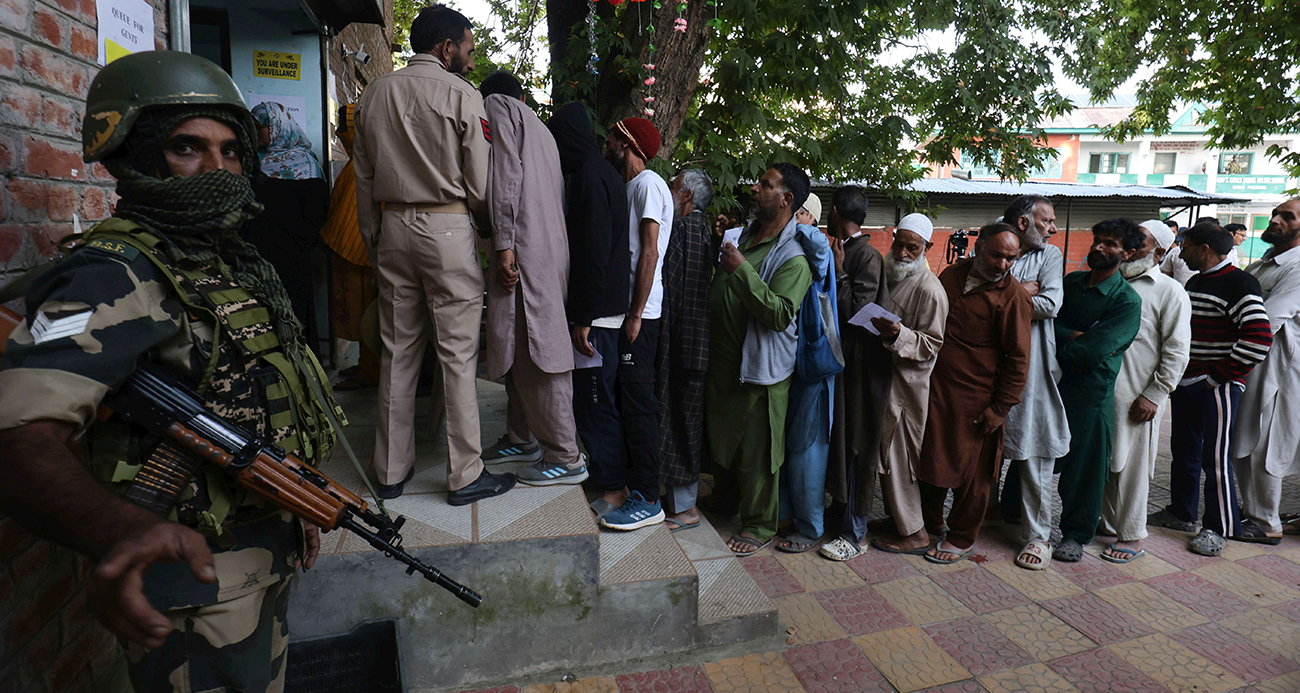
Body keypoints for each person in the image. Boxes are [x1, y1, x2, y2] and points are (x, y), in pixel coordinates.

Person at [0, 51, 343, 691]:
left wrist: (293, 508)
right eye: (189, 148)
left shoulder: (229, 265)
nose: (218, 170)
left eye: (232, 152)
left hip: (256, 556)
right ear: (134, 156)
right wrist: (120, 528)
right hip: (192, 588)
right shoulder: (114, 272)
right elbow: (20, 437)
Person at [353, 5, 515, 504]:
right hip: (447, 228)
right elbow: (481, 183)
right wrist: (490, 236)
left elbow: (361, 177)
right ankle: (465, 474)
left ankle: (390, 472)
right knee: (458, 355)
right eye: (467, 49)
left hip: (393, 225)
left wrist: (374, 236)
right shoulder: (464, 96)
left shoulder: (374, 92)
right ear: (446, 48)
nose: (470, 60)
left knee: (398, 352)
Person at [477, 72, 587, 487]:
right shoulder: (540, 126)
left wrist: (503, 243)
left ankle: (565, 456)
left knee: (537, 351)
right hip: (548, 251)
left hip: (523, 252)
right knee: (522, 348)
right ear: (523, 94)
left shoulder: (499, 109)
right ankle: (523, 438)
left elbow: (505, 178)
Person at [703, 164, 814, 556]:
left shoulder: (794, 259)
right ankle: (724, 498)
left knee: (757, 451)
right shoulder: (746, 236)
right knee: (725, 441)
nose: (755, 188)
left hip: (761, 371)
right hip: (725, 363)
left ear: (786, 200)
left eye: (765, 185)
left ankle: (759, 524)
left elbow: (780, 313)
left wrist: (741, 271)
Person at [1149, 222, 1273, 556]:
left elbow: (1260, 337)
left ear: (1204, 249)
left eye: (1185, 245)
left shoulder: (1239, 282)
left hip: (1215, 386)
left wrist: (1219, 377)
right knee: (1185, 452)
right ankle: (1181, 513)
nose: (1180, 250)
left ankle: (1218, 527)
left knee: (1215, 459)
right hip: (1189, 383)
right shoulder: (1198, 281)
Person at [832, 214, 948, 560]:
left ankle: (915, 533)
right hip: (881, 381)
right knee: (879, 456)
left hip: (905, 390)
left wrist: (899, 335)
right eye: (900, 244)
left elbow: (932, 344)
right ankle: (900, 522)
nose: (904, 253)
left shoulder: (930, 290)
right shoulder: (891, 272)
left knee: (898, 462)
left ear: (926, 248)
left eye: (913, 248)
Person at [916, 223, 1032, 564]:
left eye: (1011, 258)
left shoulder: (1013, 297)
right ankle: (928, 523)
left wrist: (1000, 409)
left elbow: (1019, 360)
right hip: (937, 390)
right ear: (978, 248)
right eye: (997, 255)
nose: (1002, 265)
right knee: (932, 460)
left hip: (978, 399)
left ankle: (962, 537)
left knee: (974, 474)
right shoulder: (954, 274)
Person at [583, 117, 675, 531]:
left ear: (628, 143)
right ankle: (626, 489)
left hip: (643, 316)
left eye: (614, 138)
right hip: (627, 314)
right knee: (624, 402)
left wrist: (636, 315)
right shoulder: (629, 188)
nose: (608, 144)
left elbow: (650, 252)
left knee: (640, 406)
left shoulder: (650, 184)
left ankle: (649, 498)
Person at [547, 103, 632, 517]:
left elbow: (595, 254)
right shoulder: (601, 173)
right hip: (602, 313)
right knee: (596, 403)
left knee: (596, 404)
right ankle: (606, 477)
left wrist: (583, 317)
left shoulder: (589, 178)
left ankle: (614, 487)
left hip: (597, 318)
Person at [1050, 219, 1143, 563]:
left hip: (1092, 395)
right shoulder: (1072, 283)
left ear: (1128, 254)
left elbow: (1092, 352)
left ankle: (1075, 535)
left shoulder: (1126, 301)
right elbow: (1045, 323)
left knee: (1084, 471)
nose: (1099, 248)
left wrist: (1064, 340)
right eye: (1097, 241)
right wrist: (1070, 336)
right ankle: (1015, 513)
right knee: (1033, 454)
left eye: (1110, 244)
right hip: (1053, 386)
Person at [1098, 220, 1191, 564]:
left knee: (1133, 470)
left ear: (1161, 252)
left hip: (1138, 397)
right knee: (1107, 463)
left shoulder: (1169, 291)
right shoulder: (1109, 281)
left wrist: (1155, 394)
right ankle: (1109, 523)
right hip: (1103, 394)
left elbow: (1178, 351)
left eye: (1142, 242)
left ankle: (1133, 534)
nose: (1130, 246)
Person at [995, 195, 1072, 570]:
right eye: (1047, 221)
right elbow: (976, 297)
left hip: (1034, 370)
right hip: (989, 366)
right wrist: (1021, 291)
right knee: (982, 449)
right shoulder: (993, 243)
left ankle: (1038, 537)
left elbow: (1051, 305)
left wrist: (1005, 293)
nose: (1053, 228)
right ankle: (970, 522)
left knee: (1035, 452)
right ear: (1023, 224)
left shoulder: (1050, 257)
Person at [823, 186, 892, 554]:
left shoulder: (865, 256)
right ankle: (838, 513)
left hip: (861, 370)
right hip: (840, 365)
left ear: (834, 211)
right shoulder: (841, 248)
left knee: (856, 445)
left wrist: (839, 273)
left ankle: (855, 532)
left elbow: (859, 316)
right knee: (839, 442)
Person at [1234, 199, 1300, 542]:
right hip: (1252, 365)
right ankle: (1253, 512)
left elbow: (1266, 319)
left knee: (1269, 443)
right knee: (1246, 438)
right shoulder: (1263, 264)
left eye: (1287, 217)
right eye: (1276, 214)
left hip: (1281, 371)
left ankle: (1266, 523)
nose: (1275, 220)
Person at [657, 169, 714, 530]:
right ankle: (681, 503)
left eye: (674, 187)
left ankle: (686, 509)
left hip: (685, 344)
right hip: (691, 344)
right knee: (681, 421)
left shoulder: (688, 229)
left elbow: (675, 292)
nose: (668, 192)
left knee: (681, 423)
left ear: (688, 196)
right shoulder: (701, 230)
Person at [246, 101, 329, 347]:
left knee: (294, 316)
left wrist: (298, 243)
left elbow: (316, 215)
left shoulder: (306, 163)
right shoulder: (250, 161)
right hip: (254, 255)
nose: (255, 133)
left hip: (291, 257)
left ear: (276, 126)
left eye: (259, 127)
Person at [776, 213, 836, 552]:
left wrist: (795, 222)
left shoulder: (818, 258)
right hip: (793, 367)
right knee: (788, 450)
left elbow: (818, 246)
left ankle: (811, 528)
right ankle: (786, 517)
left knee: (807, 453)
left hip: (815, 371)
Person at [322, 103, 381, 391]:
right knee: (359, 316)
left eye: (344, 127)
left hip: (361, 255)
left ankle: (371, 372)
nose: (339, 132)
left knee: (367, 316)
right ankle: (365, 367)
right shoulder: (358, 160)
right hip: (352, 254)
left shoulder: (365, 163)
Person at [1162, 219, 1239, 285]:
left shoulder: (1241, 286)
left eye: (1184, 249)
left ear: (1203, 249)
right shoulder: (1193, 282)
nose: (1181, 256)